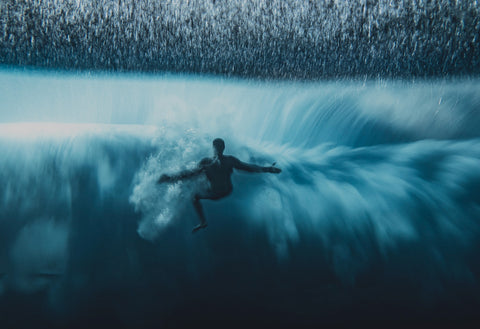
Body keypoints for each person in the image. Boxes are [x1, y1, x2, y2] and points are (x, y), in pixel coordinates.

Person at [158, 138, 281, 232]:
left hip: (216, 193)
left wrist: (169, 178)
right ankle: (203, 220)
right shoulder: (228, 160)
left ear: (214, 147)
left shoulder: (208, 163)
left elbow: (188, 174)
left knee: (194, 195)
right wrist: (268, 169)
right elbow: (248, 167)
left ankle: (203, 222)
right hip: (227, 191)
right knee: (197, 182)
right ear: (223, 148)